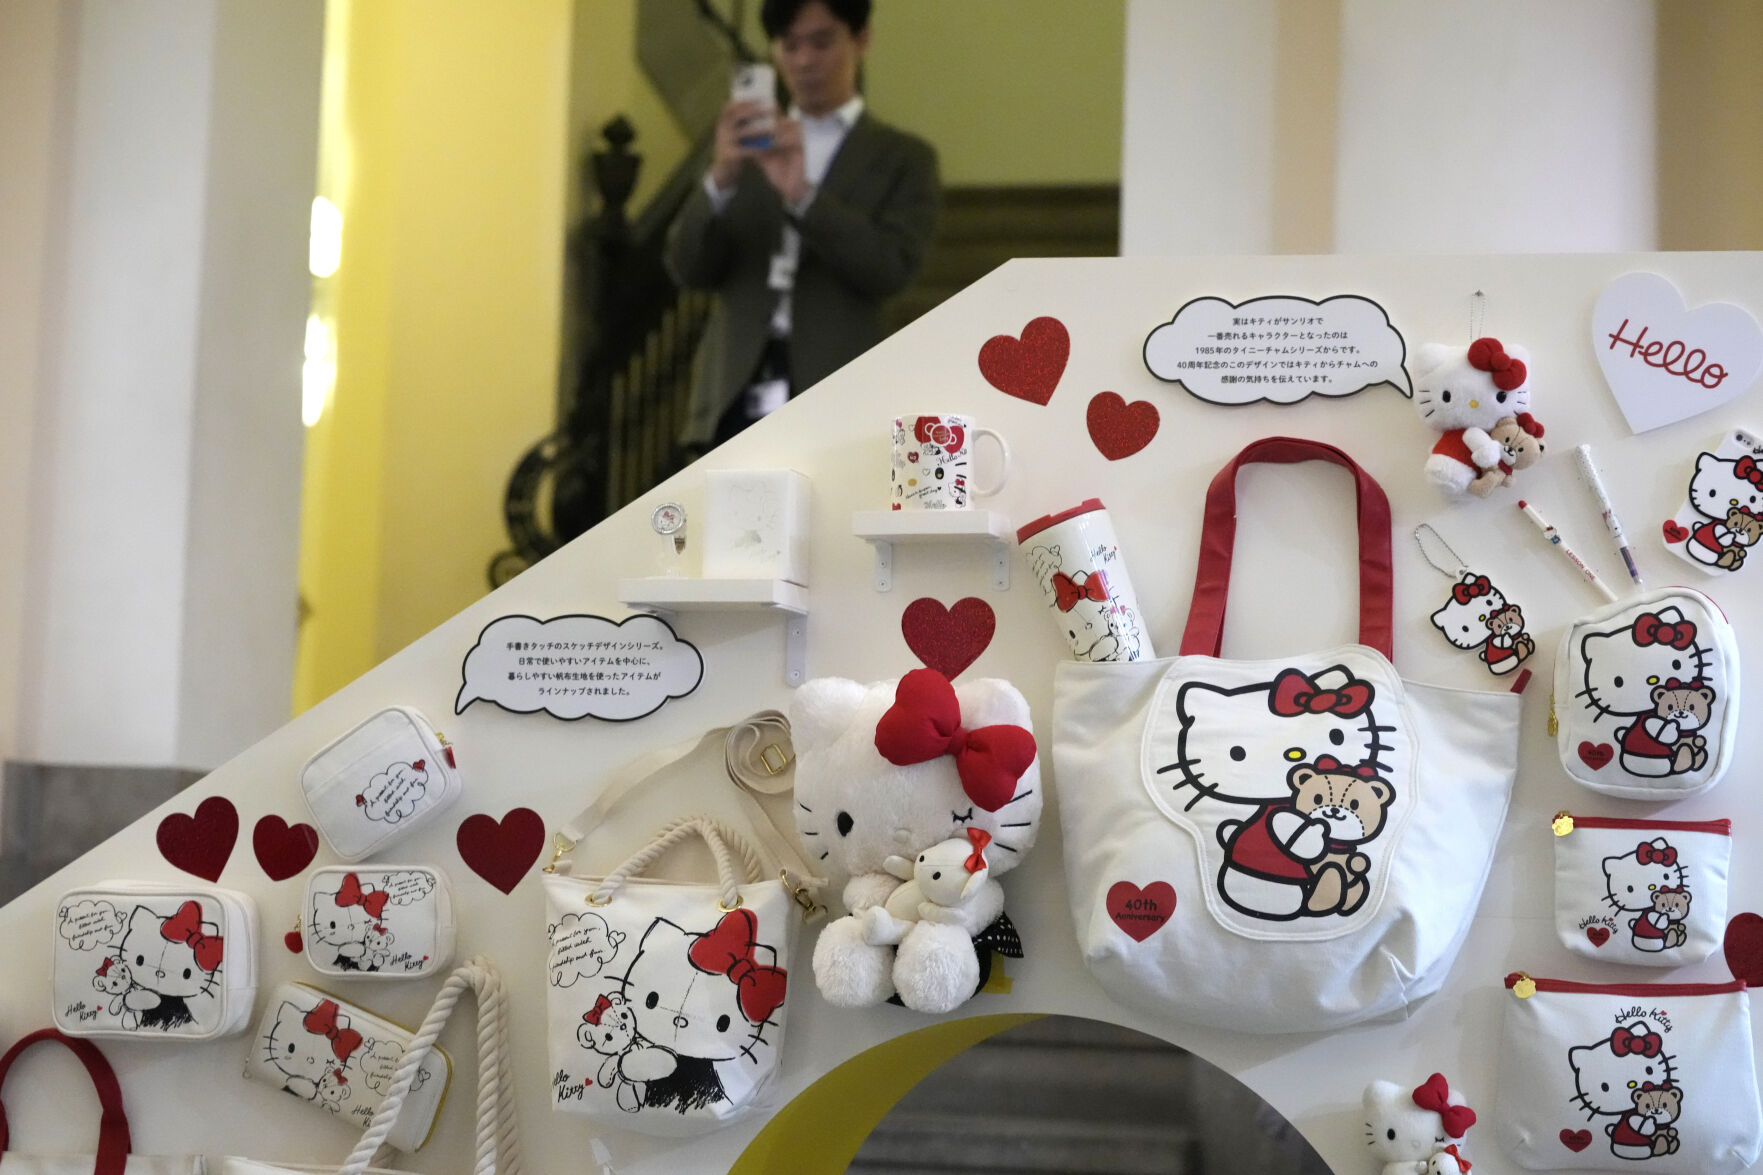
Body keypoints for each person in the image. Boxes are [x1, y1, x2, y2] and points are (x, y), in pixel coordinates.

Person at [666, 0, 940, 457]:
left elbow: (891, 270)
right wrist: (721, 180)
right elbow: (687, 268)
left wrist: (803, 197)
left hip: (838, 390)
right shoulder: (741, 149)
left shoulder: (902, 158)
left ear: (862, 39)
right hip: (732, 387)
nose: (805, 60)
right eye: (789, 45)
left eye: (822, 41)